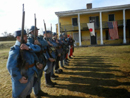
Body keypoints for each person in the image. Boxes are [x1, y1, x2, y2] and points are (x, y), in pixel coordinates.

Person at [6, 30, 43, 98]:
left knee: (28, 93)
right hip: (23, 76)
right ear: (18, 38)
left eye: (26, 36)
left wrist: (28, 48)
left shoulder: (28, 45)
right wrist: (19, 78)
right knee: (21, 95)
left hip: (31, 73)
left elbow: (38, 48)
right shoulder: (15, 49)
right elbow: (10, 66)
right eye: (24, 36)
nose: (26, 38)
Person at [27, 26, 48, 98]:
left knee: (39, 76)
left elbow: (45, 43)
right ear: (32, 32)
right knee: (36, 77)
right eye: (35, 30)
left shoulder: (39, 38)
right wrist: (35, 46)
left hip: (41, 58)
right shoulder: (29, 39)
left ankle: (39, 90)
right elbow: (30, 47)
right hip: (35, 59)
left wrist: (39, 43)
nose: (37, 32)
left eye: (37, 30)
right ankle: (36, 92)